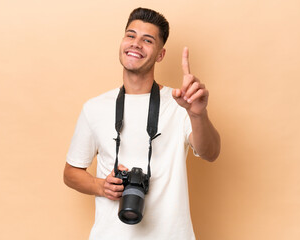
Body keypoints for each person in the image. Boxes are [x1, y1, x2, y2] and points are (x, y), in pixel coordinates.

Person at [64, 7, 220, 240]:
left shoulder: (180, 102)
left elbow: (211, 152)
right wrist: (101, 186)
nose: (136, 44)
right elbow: (70, 172)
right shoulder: (94, 108)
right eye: (130, 35)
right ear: (122, 42)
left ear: (160, 54)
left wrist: (197, 114)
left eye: (147, 40)